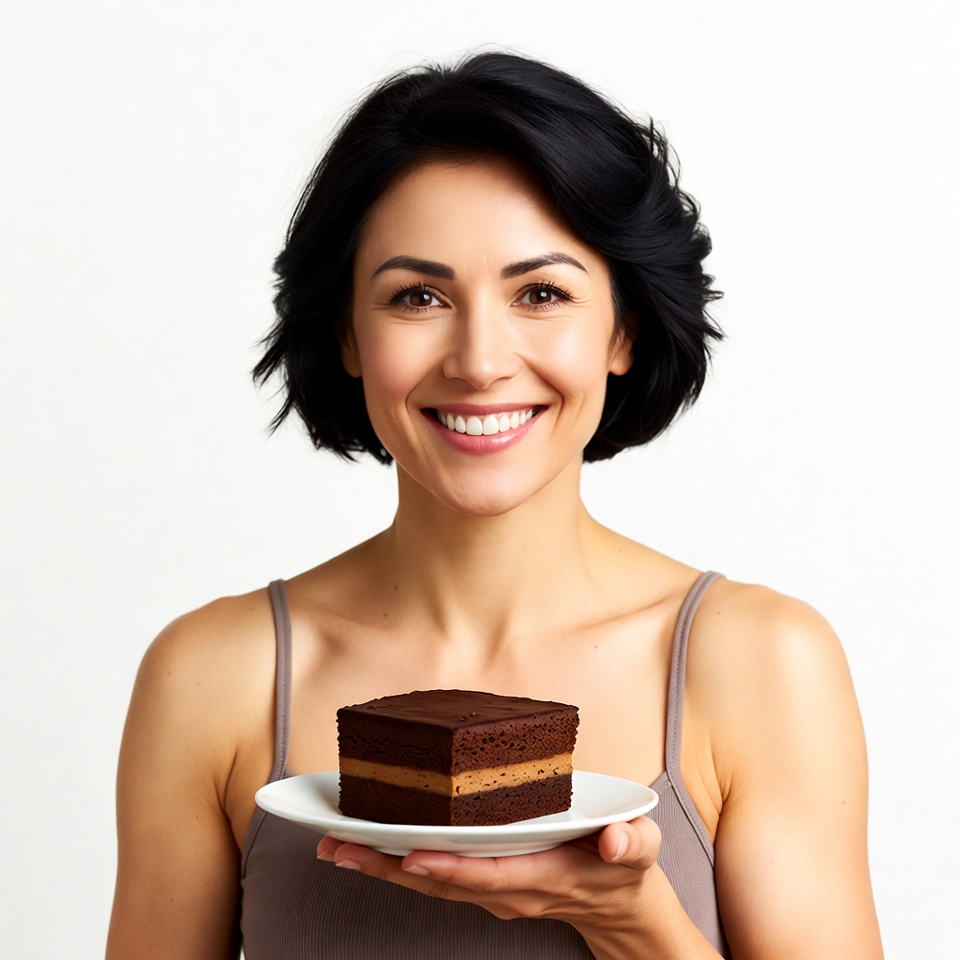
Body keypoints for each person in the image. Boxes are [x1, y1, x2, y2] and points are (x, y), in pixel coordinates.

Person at [106, 52, 883, 959]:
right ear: (349, 337)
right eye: (418, 296)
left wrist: (633, 920)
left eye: (541, 293)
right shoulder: (213, 676)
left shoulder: (760, 665)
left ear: (622, 330)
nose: (479, 360)